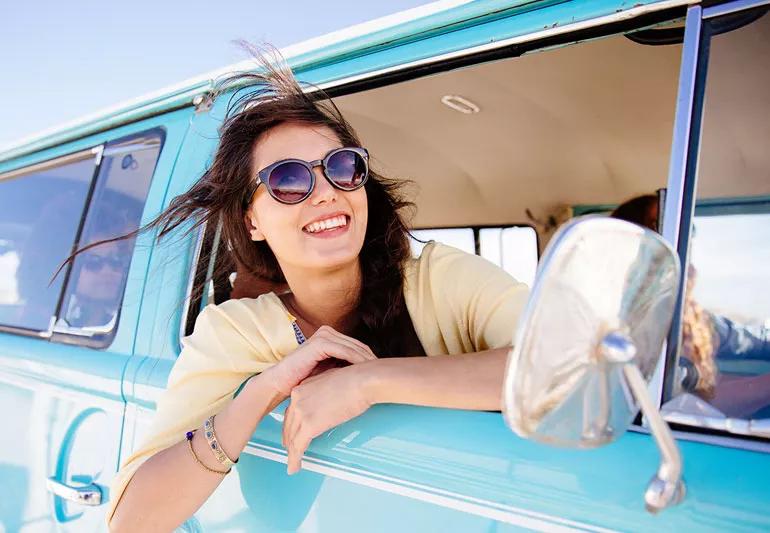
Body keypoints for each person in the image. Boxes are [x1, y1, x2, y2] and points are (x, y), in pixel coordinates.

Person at [105, 49, 529, 532]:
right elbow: (130, 523)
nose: (326, 191)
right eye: (288, 180)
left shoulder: (441, 279)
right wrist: (262, 391)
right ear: (252, 220)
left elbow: (565, 366)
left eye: (342, 166)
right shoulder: (236, 333)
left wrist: (371, 381)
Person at [611, 195, 770, 418]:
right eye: (657, 227)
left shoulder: (693, 318)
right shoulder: (617, 327)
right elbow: (688, 404)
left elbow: (746, 341)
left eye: (686, 232)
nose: (680, 239)